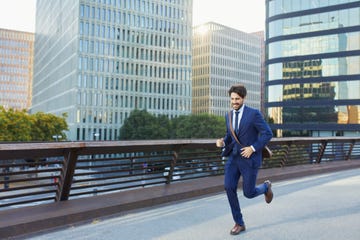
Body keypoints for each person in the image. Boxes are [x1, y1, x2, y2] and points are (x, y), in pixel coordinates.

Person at [216, 84, 273, 235]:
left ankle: (266, 187)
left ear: (243, 98)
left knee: (249, 193)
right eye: (232, 99)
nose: (234, 102)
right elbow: (230, 136)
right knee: (229, 187)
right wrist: (222, 141)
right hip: (233, 159)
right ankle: (239, 223)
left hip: (249, 160)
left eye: (237, 99)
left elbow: (268, 133)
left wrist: (253, 148)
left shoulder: (253, 114)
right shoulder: (228, 116)